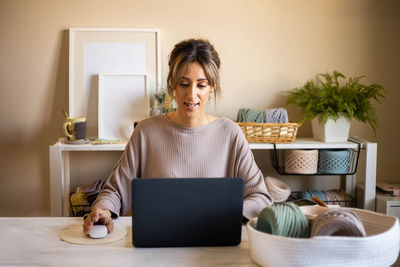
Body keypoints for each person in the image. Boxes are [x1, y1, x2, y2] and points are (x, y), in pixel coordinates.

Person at [83, 38, 273, 235]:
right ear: (173, 85)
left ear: (212, 87)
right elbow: (114, 191)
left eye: (201, 85)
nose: (191, 95)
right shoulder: (146, 132)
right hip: (157, 244)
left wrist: (223, 216)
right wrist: (103, 210)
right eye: (184, 84)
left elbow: (260, 196)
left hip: (214, 245)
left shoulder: (230, 134)